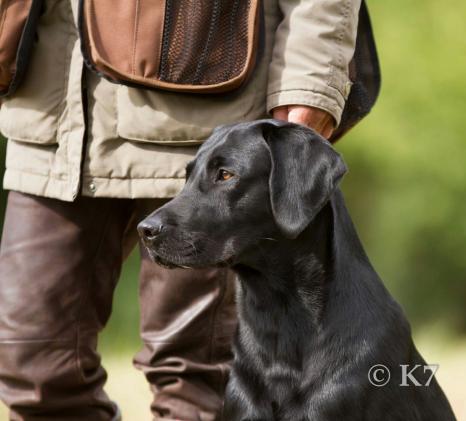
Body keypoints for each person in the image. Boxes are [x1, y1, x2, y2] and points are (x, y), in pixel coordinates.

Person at [0, 0, 362, 419]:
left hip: (203, 119)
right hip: (50, 115)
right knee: (32, 362)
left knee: (193, 379)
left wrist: (310, 85)